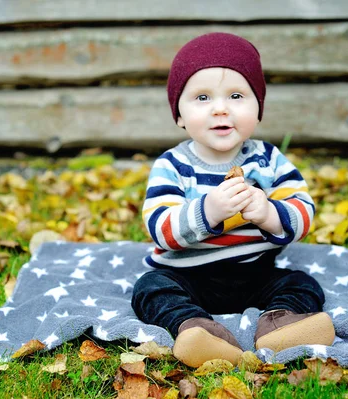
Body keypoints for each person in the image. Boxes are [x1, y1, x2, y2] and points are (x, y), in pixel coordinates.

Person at [131, 32, 335, 368]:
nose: (221, 109)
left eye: (237, 95)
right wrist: (207, 211)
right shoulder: (173, 165)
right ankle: (196, 330)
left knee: (302, 283)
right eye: (202, 98)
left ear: (258, 110)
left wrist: (269, 213)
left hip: (254, 273)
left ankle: (280, 326)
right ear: (179, 115)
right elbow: (160, 228)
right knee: (150, 289)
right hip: (186, 274)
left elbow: (303, 211)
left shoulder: (268, 160)